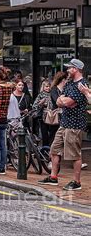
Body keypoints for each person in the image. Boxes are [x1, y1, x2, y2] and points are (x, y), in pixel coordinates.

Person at [39, 59, 88, 191]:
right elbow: (60, 100)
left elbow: (67, 102)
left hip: (75, 124)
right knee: (54, 149)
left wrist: (63, 100)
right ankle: (53, 177)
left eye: (69, 68)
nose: (67, 70)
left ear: (76, 69)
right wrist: (63, 100)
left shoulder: (82, 85)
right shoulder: (70, 83)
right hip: (64, 122)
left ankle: (76, 182)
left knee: (74, 154)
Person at [46, 71, 68, 147]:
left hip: (64, 114)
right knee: (54, 134)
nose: (67, 81)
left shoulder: (66, 89)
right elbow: (57, 101)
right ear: (63, 80)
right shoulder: (54, 89)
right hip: (56, 115)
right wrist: (65, 100)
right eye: (67, 79)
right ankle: (50, 153)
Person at [32, 81, 52, 145]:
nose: (48, 88)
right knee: (44, 133)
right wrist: (41, 103)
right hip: (43, 116)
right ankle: (45, 147)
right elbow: (34, 106)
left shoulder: (52, 94)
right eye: (46, 86)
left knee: (51, 132)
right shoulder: (40, 95)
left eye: (49, 86)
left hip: (52, 115)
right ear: (43, 87)